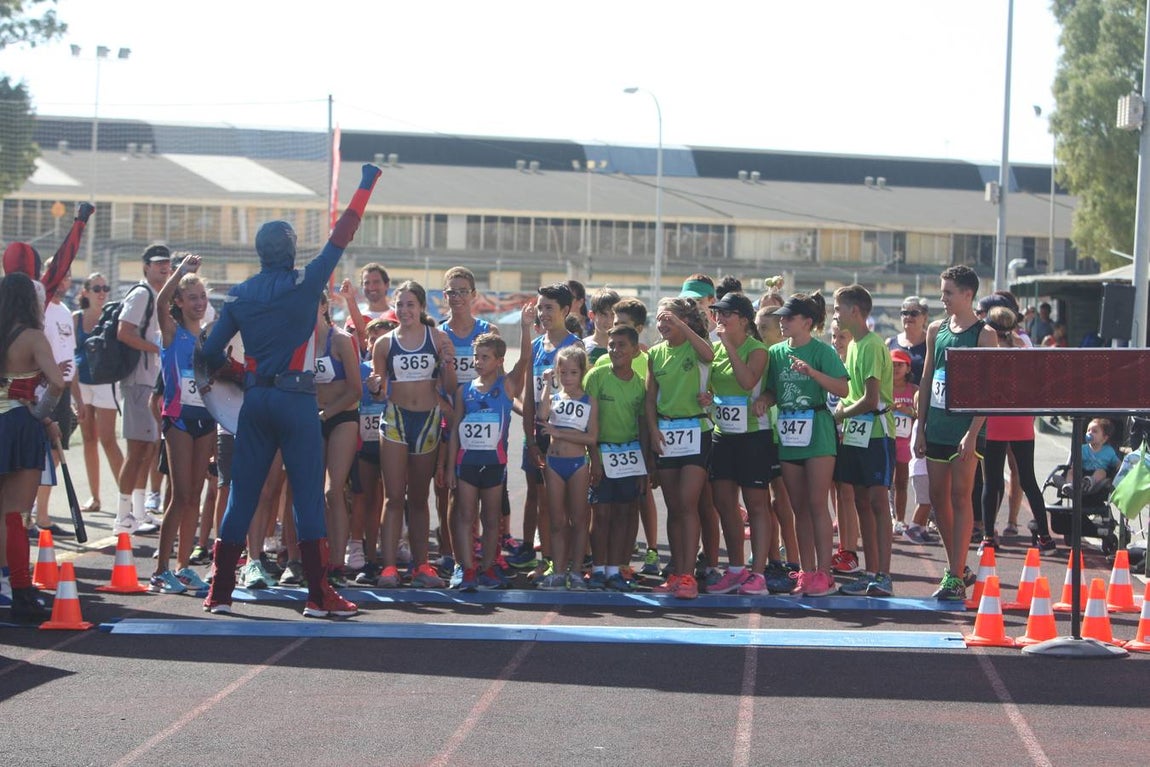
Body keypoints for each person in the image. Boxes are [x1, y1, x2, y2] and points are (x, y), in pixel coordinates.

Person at [199, 163, 381, 617]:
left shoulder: (239, 294)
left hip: (256, 400)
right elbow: (343, 232)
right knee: (306, 494)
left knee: (243, 495)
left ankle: (220, 591)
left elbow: (208, 355)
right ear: (289, 251)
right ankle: (318, 596)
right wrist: (366, 183)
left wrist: (242, 376)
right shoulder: (306, 283)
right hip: (297, 400)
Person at [915, 265, 998, 601]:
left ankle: (953, 575)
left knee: (960, 497)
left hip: (966, 430)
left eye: (949, 292)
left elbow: (988, 391)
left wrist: (973, 431)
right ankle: (958, 566)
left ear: (968, 294)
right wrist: (920, 429)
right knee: (937, 498)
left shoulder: (984, 335)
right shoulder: (936, 328)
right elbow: (925, 379)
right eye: (941, 291)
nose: (942, 297)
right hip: (936, 424)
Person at [370, 280, 456, 589]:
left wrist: (447, 363)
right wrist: (375, 387)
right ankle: (390, 566)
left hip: (428, 421)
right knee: (394, 497)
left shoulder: (437, 337)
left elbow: (451, 386)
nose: (404, 310)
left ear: (421, 307)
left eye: (410, 304)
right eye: (400, 304)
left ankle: (422, 566)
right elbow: (379, 394)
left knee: (419, 498)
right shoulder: (384, 343)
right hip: (395, 420)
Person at [765, 293, 848, 597]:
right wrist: (764, 399)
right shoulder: (775, 352)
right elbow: (773, 389)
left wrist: (811, 373)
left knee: (816, 503)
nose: (782, 322)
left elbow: (843, 387)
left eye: (789, 318)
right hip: (789, 432)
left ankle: (825, 574)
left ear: (807, 322)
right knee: (798, 507)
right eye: (781, 317)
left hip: (818, 430)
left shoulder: (821, 351)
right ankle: (806, 570)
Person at [0, 273, 66, 622]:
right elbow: (56, 381)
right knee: (15, 514)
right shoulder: (32, 337)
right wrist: (41, 413)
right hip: (18, 424)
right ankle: (21, 591)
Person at [148, 254, 215, 594]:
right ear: (179, 302)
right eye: (193, 298)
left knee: (196, 496)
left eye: (203, 297)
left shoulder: (207, 338)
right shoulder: (171, 333)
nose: (200, 303)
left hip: (205, 419)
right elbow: (160, 300)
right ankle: (161, 569)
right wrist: (181, 272)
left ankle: (184, 566)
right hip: (178, 420)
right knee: (180, 494)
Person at [703, 292, 774, 596]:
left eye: (726, 313)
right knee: (724, 503)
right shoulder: (715, 350)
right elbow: (714, 389)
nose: (720, 317)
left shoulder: (757, 349)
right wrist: (708, 399)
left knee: (756, 504)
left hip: (753, 435)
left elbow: (747, 382)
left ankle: (758, 573)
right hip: (724, 434)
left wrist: (729, 346)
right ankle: (735, 569)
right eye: (717, 312)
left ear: (744, 319)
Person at [508, 283, 583, 574]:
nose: (542, 313)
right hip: (538, 436)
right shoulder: (536, 347)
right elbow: (527, 398)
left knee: (565, 505)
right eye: (540, 307)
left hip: (567, 435)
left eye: (549, 307)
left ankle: (569, 563)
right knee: (539, 498)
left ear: (565, 310)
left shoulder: (577, 347)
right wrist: (530, 437)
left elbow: (583, 397)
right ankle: (545, 558)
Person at [646, 297, 715, 599]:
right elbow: (650, 398)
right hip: (667, 432)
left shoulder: (693, 347)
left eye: (668, 318)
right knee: (674, 507)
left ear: (683, 320)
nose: (663, 323)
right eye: (659, 318)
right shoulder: (655, 354)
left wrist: (684, 329)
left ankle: (689, 575)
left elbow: (710, 355)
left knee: (688, 503)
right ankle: (677, 572)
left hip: (696, 430)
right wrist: (652, 430)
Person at [831, 285, 897, 597]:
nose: (835, 314)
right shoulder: (853, 346)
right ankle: (870, 572)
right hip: (856, 434)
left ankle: (884, 574)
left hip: (877, 433)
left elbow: (871, 399)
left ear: (854, 311)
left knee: (877, 502)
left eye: (838, 308)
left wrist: (839, 415)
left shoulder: (871, 345)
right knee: (860, 502)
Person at [980, 306, 1057, 553]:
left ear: (991, 327)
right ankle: (1045, 537)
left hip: (994, 420)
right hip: (1022, 421)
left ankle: (987, 538)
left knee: (990, 482)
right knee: (1028, 479)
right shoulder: (1025, 352)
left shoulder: (987, 354)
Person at [446, 332, 513, 590]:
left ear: (498, 361)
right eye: (476, 356)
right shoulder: (465, 391)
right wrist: (451, 466)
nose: (478, 361)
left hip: (494, 463)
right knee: (465, 515)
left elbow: (525, 359)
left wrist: (526, 328)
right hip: (467, 463)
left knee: (492, 518)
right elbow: (455, 430)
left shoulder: (505, 386)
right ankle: (467, 569)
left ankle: (487, 568)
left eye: (485, 357)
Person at [113, 244, 172, 537]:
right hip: (138, 381)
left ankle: (137, 513)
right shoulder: (141, 294)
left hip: (151, 382)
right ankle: (123, 515)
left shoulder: (161, 295)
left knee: (147, 450)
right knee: (136, 450)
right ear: (146, 266)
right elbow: (123, 332)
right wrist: (157, 348)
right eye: (158, 262)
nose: (164, 266)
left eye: (167, 262)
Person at [585, 324, 648, 592]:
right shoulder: (596, 377)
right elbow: (588, 421)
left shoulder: (640, 386)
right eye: (611, 345)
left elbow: (643, 426)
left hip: (630, 456)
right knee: (600, 514)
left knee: (623, 514)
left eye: (622, 345)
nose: (615, 350)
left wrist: (646, 467)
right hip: (601, 453)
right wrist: (595, 459)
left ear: (635, 350)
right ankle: (597, 568)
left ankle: (614, 569)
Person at [536, 345, 597, 589]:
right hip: (554, 464)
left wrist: (559, 433)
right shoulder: (553, 399)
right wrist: (546, 386)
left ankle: (577, 571)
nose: (568, 378)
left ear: (582, 372)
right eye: (563, 373)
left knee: (579, 519)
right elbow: (542, 416)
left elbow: (591, 438)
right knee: (557, 520)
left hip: (577, 464)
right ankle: (559, 570)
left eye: (573, 373)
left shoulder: (589, 400)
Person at [314, 290, 362, 586]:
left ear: (323, 307)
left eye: (312, 304)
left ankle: (337, 563)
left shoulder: (341, 340)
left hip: (342, 417)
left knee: (334, 491)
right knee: (311, 492)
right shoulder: (300, 344)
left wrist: (326, 413)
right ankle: (311, 556)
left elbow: (356, 390)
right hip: (312, 419)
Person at [72, 272, 124, 515]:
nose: (102, 292)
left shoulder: (112, 316)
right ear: (85, 292)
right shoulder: (75, 318)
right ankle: (95, 497)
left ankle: (128, 500)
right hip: (82, 384)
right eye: (96, 288)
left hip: (105, 383)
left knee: (108, 439)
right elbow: (70, 353)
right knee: (88, 439)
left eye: (105, 287)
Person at [889, 349, 918, 539]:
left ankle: (900, 519)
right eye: (892, 365)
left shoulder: (914, 390)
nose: (896, 368)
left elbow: (921, 415)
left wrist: (909, 412)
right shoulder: (883, 387)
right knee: (884, 483)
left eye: (900, 365)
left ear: (908, 368)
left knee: (901, 482)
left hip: (906, 444)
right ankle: (888, 518)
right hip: (887, 440)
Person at [887, 295, 929, 386]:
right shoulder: (889, 343)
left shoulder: (931, 343)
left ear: (925, 318)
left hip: (924, 398)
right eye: (904, 313)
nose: (908, 317)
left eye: (914, 313)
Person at [583, 288, 620, 364]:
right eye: (603, 315)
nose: (609, 320)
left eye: (613, 315)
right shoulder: (582, 347)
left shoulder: (624, 349)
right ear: (591, 316)